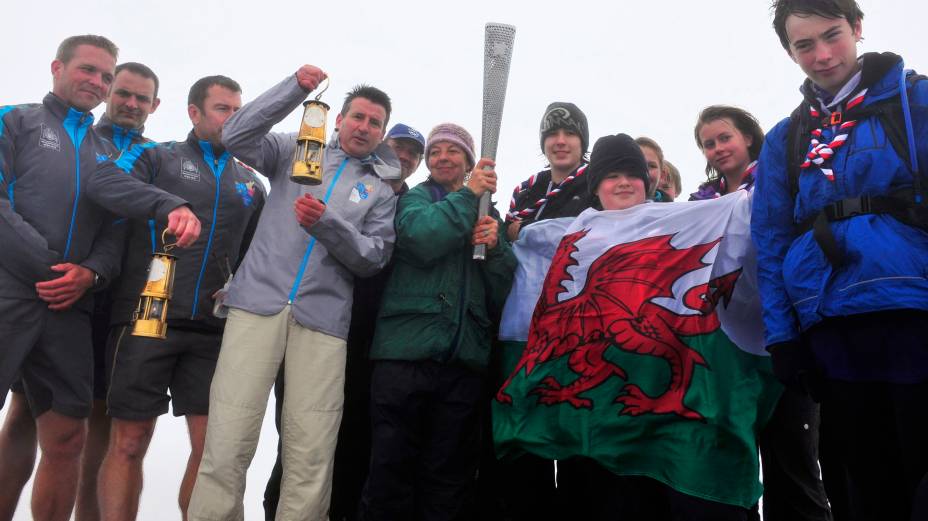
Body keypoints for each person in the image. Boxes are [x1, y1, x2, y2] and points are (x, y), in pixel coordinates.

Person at [188, 65, 400, 521]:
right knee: (228, 435)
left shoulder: (381, 191)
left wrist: (327, 224)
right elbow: (236, 134)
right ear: (339, 118)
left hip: (323, 323)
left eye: (374, 122)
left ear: (382, 133)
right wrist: (295, 88)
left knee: (311, 448)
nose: (364, 127)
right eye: (357, 116)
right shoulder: (295, 148)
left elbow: (373, 257)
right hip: (255, 304)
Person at [0, 35, 198, 521]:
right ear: (56, 67)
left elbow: (115, 226)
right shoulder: (15, 119)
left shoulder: (114, 153)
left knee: (74, 433)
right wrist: (53, 271)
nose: (103, 85)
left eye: (105, 77)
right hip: (15, 290)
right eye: (94, 74)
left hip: (93, 305)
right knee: (23, 415)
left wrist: (91, 274)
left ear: (156, 105)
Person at [753, 1, 928, 520]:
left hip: (913, 312)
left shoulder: (915, 101)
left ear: (857, 29)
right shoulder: (787, 137)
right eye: (804, 44)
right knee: (859, 485)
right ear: (789, 51)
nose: (822, 55)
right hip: (830, 326)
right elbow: (771, 239)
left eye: (832, 36)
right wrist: (782, 338)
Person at [89, 74, 265, 521]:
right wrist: (168, 203)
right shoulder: (156, 155)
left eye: (238, 111)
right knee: (129, 441)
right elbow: (102, 182)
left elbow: (252, 258)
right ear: (194, 112)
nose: (232, 119)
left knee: (211, 454)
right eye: (223, 109)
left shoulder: (251, 183)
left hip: (212, 331)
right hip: (147, 316)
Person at [262, 122, 425, 521]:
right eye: (398, 147)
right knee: (298, 435)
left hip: (373, 345)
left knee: (356, 438)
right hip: (315, 326)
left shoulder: (416, 207)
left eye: (412, 153)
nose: (403, 157)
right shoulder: (349, 185)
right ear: (383, 147)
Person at [358, 123, 516, 521]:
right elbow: (422, 238)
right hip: (404, 357)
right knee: (390, 472)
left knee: (449, 480)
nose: (443, 157)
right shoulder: (413, 201)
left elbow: (502, 292)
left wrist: (496, 249)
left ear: (467, 160)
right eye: (436, 151)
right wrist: (469, 194)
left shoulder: (486, 212)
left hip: (463, 363)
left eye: (453, 151)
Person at [693, 105, 833, 521]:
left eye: (724, 138)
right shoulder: (700, 205)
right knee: (735, 461)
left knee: (793, 461)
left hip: (783, 337)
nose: (717, 149)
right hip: (727, 351)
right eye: (708, 143)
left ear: (748, 137)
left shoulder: (780, 183)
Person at [505, 102, 593, 242]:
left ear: (582, 142)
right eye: (552, 134)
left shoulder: (598, 186)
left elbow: (596, 233)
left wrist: (525, 230)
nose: (560, 141)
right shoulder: (525, 192)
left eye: (570, 133)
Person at [690, 106, 764, 201]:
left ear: (747, 139)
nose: (718, 149)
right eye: (710, 144)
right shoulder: (698, 202)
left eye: (725, 138)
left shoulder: (776, 181)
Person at [635, 136, 673, 202]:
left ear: (662, 175)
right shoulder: (612, 209)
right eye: (637, 164)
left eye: (651, 166)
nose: (645, 171)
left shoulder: (675, 211)